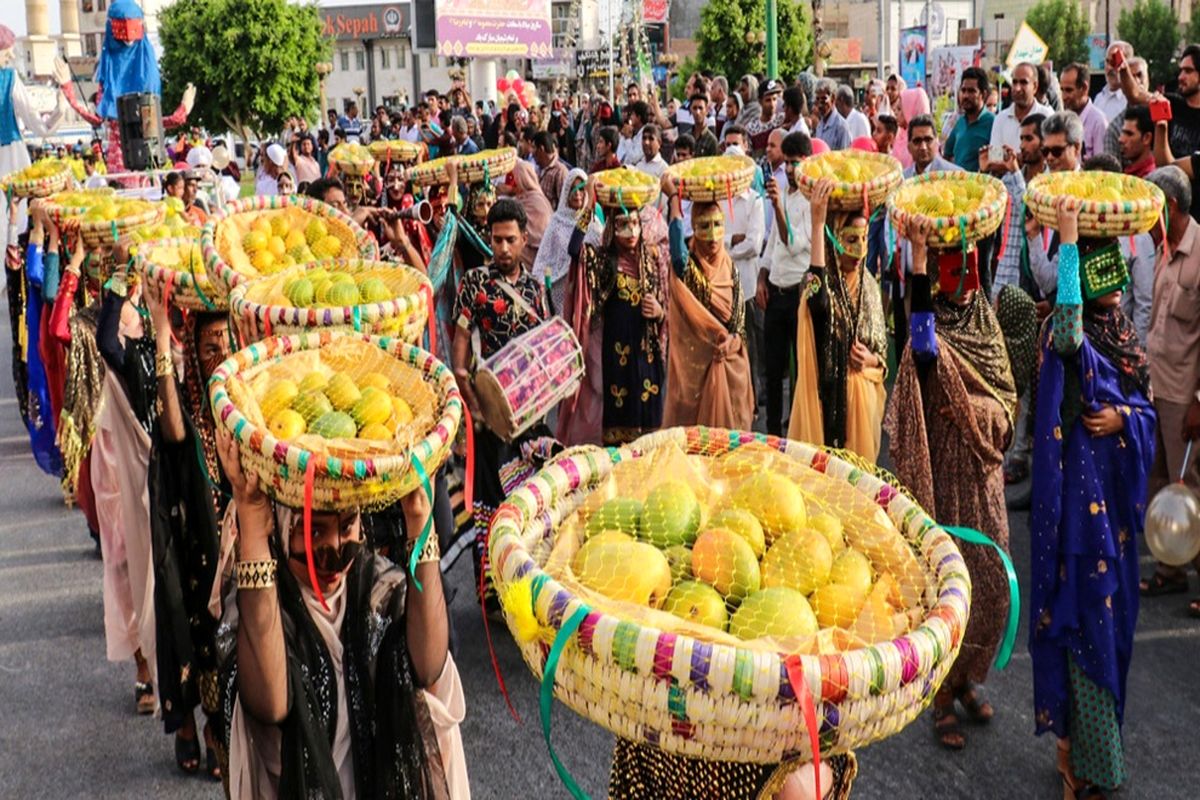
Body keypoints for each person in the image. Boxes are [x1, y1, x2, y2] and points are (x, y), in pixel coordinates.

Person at [214, 427, 467, 798]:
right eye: (313, 532)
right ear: (282, 530)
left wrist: (419, 519)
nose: (334, 549)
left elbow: (429, 669)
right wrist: (252, 527)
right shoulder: (261, 606)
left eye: (346, 526)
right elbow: (270, 703)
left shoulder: (379, 588)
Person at [1029, 200, 1154, 800]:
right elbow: (1072, 327)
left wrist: (1124, 416)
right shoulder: (1067, 333)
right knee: (1083, 621)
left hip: (1117, 509)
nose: (1113, 289)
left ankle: (1092, 753)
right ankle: (1081, 762)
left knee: (1115, 625)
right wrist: (1069, 239)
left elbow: (1147, 411)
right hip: (1078, 510)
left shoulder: (1128, 336)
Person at [886, 213, 1016, 749]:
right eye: (949, 272)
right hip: (943, 470)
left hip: (981, 470)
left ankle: (968, 681)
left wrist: (988, 414)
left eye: (968, 269)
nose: (961, 283)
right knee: (947, 576)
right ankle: (940, 695)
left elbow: (1007, 391)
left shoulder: (985, 320)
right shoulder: (928, 319)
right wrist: (917, 264)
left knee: (988, 575)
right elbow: (921, 350)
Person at [140, 271, 228, 779]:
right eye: (207, 346)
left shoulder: (243, 407)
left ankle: (218, 724)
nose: (217, 354)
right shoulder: (191, 410)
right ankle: (188, 726)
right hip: (191, 545)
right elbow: (172, 430)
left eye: (224, 343)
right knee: (185, 629)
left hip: (230, 547)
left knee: (225, 638)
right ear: (193, 354)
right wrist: (159, 325)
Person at [453, 199, 551, 603]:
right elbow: (459, 359)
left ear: (525, 239)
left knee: (531, 499)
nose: (504, 248)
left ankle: (529, 583)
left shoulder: (536, 289)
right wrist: (475, 408)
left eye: (511, 239)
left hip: (531, 414)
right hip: (490, 417)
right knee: (491, 504)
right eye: (496, 240)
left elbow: (546, 350)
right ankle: (493, 593)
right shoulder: (474, 285)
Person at [93, 246, 158, 718]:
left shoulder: (164, 344)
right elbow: (105, 343)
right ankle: (144, 667)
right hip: (120, 465)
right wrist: (116, 283)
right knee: (125, 564)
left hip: (168, 472)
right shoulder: (120, 352)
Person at [558, 180, 670, 445]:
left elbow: (669, 310)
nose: (630, 231)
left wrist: (660, 313)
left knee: (650, 437)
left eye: (634, 223)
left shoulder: (653, 260)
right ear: (611, 227)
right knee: (618, 438)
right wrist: (589, 206)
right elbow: (574, 249)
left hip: (648, 358)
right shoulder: (603, 261)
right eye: (622, 224)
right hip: (615, 360)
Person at [787, 179, 887, 461]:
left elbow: (880, 350)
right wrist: (817, 224)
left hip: (863, 412)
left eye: (865, 238)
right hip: (828, 407)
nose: (860, 250)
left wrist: (871, 361)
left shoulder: (869, 285)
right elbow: (817, 301)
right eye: (851, 240)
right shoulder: (817, 282)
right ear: (834, 239)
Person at [1138, 166, 1200, 613]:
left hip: (1185, 394)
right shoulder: (1165, 246)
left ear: (1171, 206)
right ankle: (1169, 570)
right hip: (1157, 385)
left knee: (1190, 488)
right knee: (1160, 481)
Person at [660, 174, 755, 430]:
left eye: (717, 225)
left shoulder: (731, 268)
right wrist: (674, 200)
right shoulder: (692, 269)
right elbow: (678, 257)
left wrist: (733, 342)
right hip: (698, 369)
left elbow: (740, 324)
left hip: (732, 364)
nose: (712, 236)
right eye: (704, 226)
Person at [758, 132, 813, 436]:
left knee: (800, 372)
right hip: (776, 292)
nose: (791, 170)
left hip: (798, 295)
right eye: (788, 164)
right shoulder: (784, 192)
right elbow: (773, 245)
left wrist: (778, 208)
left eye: (796, 164)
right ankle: (772, 436)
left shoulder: (809, 201)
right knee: (774, 368)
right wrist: (762, 277)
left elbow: (791, 244)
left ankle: (794, 433)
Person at [723, 147, 767, 405]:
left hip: (747, 283)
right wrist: (731, 240)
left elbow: (754, 243)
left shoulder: (754, 201)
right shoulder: (718, 200)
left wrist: (725, 250)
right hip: (723, 282)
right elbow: (713, 239)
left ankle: (754, 394)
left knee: (750, 339)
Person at [534, 168, 591, 314]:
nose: (577, 194)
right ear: (566, 192)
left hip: (585, 292)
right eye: (572, 189)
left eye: (581, 189)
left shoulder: (593, 223)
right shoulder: (556, 222)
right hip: (559, 291)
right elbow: (543, 259)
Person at [991, 62, 1054, 152]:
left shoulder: (1047, 117)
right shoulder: (1000, 119)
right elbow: (995, 158)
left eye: (1024, 82)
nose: (1017, 88)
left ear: (1035, 86)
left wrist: (1013, 159)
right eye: (1014, 82)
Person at [945, 67, 994, 171]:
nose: (966, 95)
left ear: (983, 94)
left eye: (972, 91)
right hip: (958, 184)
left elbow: (998, 158)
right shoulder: (960, 123)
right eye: (963, 90)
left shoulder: (993, 123)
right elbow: (947, 154)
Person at [1103, 57, 1149, 164]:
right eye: (1130, 77)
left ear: (1148, 78)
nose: (1136, 81)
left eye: (1139, 75)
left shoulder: (1163, 116)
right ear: (1122, 86)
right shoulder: (1114, 128)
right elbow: (1112, 173)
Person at [1059, 63, 1107, 158]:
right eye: (1062, 90)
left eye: (1069, 90)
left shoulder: (1098, 122)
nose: (1064, 97)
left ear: (1084, 88)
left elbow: (1101, 167)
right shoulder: (1061, 120)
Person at [1095, 41, 1134, 122]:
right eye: (1107, 61)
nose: (1109, 68)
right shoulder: (1099, 98)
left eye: (1114, 63)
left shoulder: (1131, 101)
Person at [746, 80, 785, 157]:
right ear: (760, 101)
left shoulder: (782, 119)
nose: (772, 104)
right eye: (768, 100)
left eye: (774, 99)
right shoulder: (751, 128)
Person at [533, 131, 569, 211]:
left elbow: (564, 203)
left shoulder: (560, 171)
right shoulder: (538, 169)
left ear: (541, 149)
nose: (532, 153)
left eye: (534, 148)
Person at [1119, 104, 1156, 178]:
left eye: (1129, 134)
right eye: (1123, 132)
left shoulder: (1150, 179)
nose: (1121, 139)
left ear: (1146, 138)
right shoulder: (1131, 171)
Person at [814, 79, 851, 150]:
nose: (820, 105)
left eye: (823, 99)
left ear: (833, 98)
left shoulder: (841, 127)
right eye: (817, 99)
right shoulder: (820, 125)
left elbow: (844, 156)